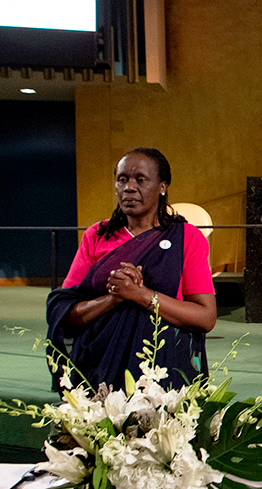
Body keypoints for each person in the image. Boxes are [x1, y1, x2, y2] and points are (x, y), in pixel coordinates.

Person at [46, 148, 215, 392]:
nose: (129, 187)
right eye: (122, 179)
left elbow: (205, 317)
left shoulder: (187, 238)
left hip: (162, 372)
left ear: (162, 187)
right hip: (97, 368)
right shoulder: (97, 235)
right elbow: (66, 315)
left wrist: (141, 295)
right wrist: (113, 298)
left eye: (140, 179)